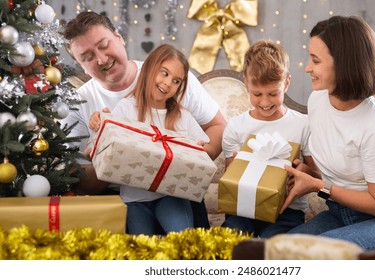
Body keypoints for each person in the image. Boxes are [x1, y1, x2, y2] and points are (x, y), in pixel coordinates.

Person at [62, 12, 226, 228]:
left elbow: (217, 125)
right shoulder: (77, 104)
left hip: (177, 192)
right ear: (79, 65)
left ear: (119, 38)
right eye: (87, 57)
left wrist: (192, 162)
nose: (101, 59)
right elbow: (80, 177)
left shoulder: (168, 76)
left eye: (104, 45)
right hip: (124, 199)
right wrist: (119, 160)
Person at [282, 16, 375, 251]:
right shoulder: (318, 100)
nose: (307, 67)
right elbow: (343, 171)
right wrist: (309, 172)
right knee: (278, 250)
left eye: (315, 60)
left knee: (314, 257)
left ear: (343, 64)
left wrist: (317, 185)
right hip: (342, 210)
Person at [220, 40, 316, 238]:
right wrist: (236, 168)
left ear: (287, 82)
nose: (264, 102)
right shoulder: (236, 127)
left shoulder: (303, 125)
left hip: (287, 211)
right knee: (229, 245)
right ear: (246, 84)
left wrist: (303, 172)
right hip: (241, 210)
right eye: (257, 94)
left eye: (273, 93)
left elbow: (315, 175)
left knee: (272, 250)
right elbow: (231, 181)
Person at [109, 44, 207, 235]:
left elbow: (203, 147)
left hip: (171, 196)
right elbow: (108, 147)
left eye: (176, 81)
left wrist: (201, 150)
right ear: (149, 68)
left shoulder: (181, 116)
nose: (168, 83)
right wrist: (100, 123)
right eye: (164, 73)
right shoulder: (125, 108)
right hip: (134, 200)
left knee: (183, 240)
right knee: (143, 251)